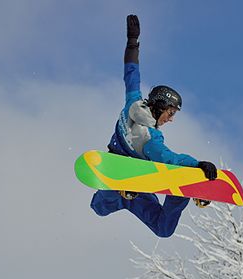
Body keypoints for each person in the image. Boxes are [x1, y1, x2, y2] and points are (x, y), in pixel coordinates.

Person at [90, 15, 217, 238]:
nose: (171, 119)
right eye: (170, 113)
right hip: (120, 178)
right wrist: (197, 165)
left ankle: (180, 192)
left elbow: (131, 74)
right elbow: (170, 159)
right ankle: (143, 188)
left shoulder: (133, 102)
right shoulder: (149, 137)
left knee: (163, 229)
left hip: (136, 186)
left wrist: (132, 41)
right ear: (159, 107)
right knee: (99, 207)